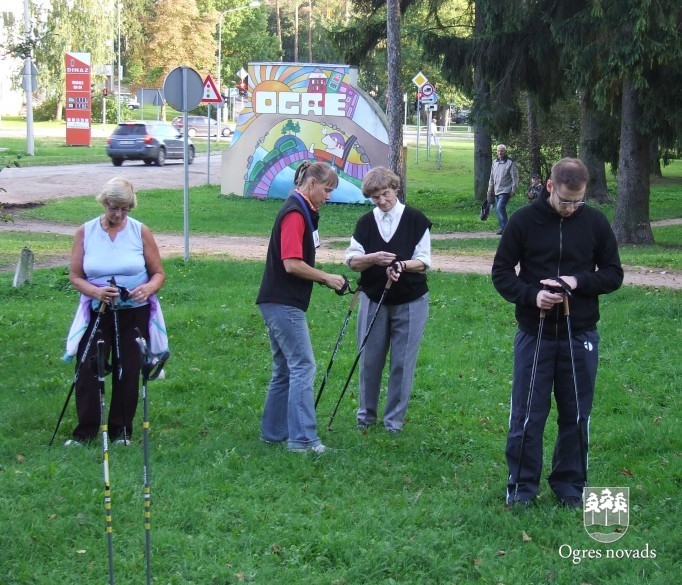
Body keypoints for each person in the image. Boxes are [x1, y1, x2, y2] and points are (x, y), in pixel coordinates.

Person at [491, 158, 623, 508]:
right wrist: (533, 295)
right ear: (550, 187)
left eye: (578, 201)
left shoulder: (595, 222)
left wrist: (576, 282)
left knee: (576, 413)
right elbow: (502, 273)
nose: (571, 208)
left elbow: (613, 273)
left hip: (579, 334)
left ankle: (570, 487)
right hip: (535, 333)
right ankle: (520, 487)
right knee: (527, 413)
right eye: (565, 201)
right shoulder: (523, 221)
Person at [65, 177, 167, 446]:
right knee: (88, 367)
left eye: (125, 209)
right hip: (98, 310)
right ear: (104, 203)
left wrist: (147, 288)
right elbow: (75, 276)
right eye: (113, 208)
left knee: (129, 369)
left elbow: (158, 273)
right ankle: (85, 432)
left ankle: (122, 431)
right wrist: (96, 292)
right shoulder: (85, 232)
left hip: (134, 311)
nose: (119, 215)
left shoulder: (139, 231)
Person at [257, 161, 346, 453]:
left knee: (284, 368)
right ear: (310, 184)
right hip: (283, 303)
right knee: (303, 366)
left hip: (274, 300)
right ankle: (303, 440)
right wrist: (327, 278)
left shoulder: (301, 209)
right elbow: (292, 264)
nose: (329, 196)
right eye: (327, 189)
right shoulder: (295, 213)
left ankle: (273, 433)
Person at [345, 167, 432, 433]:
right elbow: (351, 260)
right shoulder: (365, 223)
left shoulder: (416, 219)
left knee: (402, 363)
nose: (381, 201)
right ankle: (365, 417)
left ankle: (393, 422)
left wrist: (402, 266)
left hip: (410, 300)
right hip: (373, 299)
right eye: (375, 197)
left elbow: (424, 260)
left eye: (385, 194)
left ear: (394, 188)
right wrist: (372, 259)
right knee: (370, 359)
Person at [487, 144, 519, 235]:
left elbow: (515, 177)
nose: (500, 152)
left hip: (506, 190)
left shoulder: (510, 162)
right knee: (498, 209)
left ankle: (506, 229)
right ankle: (503, 228)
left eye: (502, 151)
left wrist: (513, 189)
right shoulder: (495, 162)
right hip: (496, 189)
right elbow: (492, 177)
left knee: (500, 207)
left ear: (505, 151)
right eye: (498, 151)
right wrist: (490, 189)